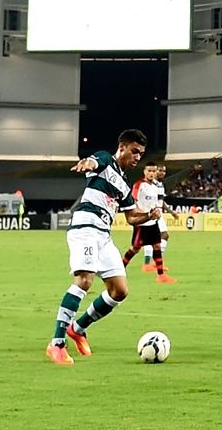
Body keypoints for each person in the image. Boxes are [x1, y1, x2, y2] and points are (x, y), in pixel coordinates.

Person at [46, 129, 160, 365]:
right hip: (86, 227)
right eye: (134, 151)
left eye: (140, 154)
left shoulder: (125, 185)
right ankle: (56, 343)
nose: (137, 157)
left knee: (120, 290)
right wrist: (86, 163)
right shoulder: (106, 160)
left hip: (104, 236)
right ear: (122, 146)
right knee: (84, 281)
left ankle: (77, 328)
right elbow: (93, 162)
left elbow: (131, 217)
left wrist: (149, 214)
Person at [120, 165, 175, 283]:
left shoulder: (155, 187)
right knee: (135, 248)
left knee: (157, 246)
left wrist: (156, 212)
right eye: (149, 171)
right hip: (142, 223)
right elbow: (133, 201)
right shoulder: (139, 185)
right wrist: (143, 213)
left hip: (152, 221)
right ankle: (119, 269)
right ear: (144, 171)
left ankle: (161, 275)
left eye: (154, 171)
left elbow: (155, 203)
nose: (151, 173)